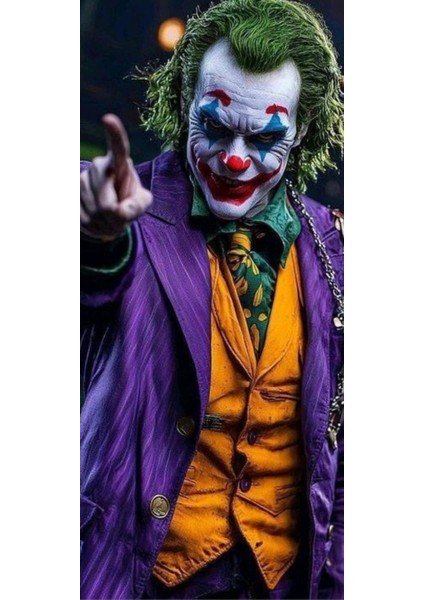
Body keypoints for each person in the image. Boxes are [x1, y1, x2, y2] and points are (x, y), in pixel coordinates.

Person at [80, 1, 344, 598]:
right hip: (137, 575)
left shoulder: (335, 247)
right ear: (184, 103)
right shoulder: (123, 208)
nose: (234, 159)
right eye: (216, 128)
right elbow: (92, 290)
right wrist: (97, 239)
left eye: (265, 138)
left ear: (302, 130)